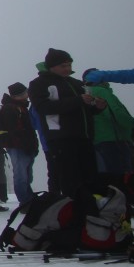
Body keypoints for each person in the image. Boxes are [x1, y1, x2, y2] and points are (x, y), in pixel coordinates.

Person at [28, 48, 105, 197]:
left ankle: (93, 212)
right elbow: (43, 108)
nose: (68, 69)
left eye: (69, 65)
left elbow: (83, 109)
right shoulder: (39, 84)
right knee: (71, 181)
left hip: (84, 136)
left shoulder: (76, 83)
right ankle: (75, 213)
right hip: (60, 138)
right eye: (63, 66)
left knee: (91, 178)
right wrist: (78, 100)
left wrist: (97, 107)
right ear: (52, 66)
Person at [82, 69, 134, 175]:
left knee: (108, 178)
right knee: (123, 178)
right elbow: (117, 114)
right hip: (114, 140)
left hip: (100, 141)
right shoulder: (101, 91)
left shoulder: (87, 93)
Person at [0, 83, 38, 206]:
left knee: (26, 175)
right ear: (19, 95)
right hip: (18, 147)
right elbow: (14, 130)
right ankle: (25, 202)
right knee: (21, 175)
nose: (27, 94)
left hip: (23, 146)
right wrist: (26, 144)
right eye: (25, 92)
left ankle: (28, 198)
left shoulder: (20, 107)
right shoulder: (11, 108)